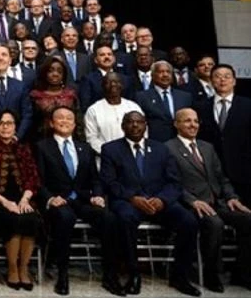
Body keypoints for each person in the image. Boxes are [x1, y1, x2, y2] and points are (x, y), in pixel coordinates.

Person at [99, 111, 201, 296]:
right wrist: (132, 198)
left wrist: (163, 199)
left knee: (189, 221)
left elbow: (174, 182)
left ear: (146, 126)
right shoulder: (111, 149)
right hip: (128, 201)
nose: (135, 126)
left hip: (159, 201)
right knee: (125, 218)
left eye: (139, 122)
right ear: (123, 127)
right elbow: (109, 182)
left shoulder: (161, 149)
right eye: (130, 122)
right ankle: (133, 273)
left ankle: (180, 276)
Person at [33, 107, 123, 296]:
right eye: (60, 118)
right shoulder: (42, 146)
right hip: (57, 201)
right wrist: (49, 198)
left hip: (82, 199)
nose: (64, 121)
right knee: (65, 218)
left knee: (109, 218)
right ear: (52, 123)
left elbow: (95, 179)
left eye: (69, 118)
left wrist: (97, 195)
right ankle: (63, 275)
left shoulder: (85, 148)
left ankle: (110, 275)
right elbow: (37, 181)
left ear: (75, 124)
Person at [166, 108, 251, 292]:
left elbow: (222, 178)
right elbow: (171, 183)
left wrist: (232, 197)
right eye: (187, 121)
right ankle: (212, 274)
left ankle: (241, 272)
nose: (193, 125)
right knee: (215, 224)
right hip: (191, 205)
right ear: (176, 124)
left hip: (218, 202)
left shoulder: (207, 147)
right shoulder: (168, 148)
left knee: (248, 219)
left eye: (196, 121)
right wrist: (191, 201)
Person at [0, 110, 40, 291]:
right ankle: (12, 269)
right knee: (14, 219)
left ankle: (23, 268)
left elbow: (33, 178)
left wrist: (25, 199)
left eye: (9, 123)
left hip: (22, 200)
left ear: (15, 127)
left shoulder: (24, 149)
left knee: (30, 218)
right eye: (1, 123)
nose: (5, 126)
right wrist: (4, 201)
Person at [195, 64, 251, 204]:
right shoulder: (201, 107)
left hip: (245, 169)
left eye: (227, 76)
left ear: (234, 81)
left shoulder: (247, 105)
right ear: (211, 81)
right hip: (215, 170)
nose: (222, 80)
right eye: (218, 76)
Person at [84, 72, 143, 159]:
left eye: (117, 82)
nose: (113, 85)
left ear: (122, 85)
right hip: (105, 159)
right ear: (103, 86)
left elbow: (143, 131)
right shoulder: (93, 110)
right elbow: (91, 138)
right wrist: (110, 153)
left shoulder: (133, 107)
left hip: (133, 157)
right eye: (108, 82)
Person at [135, 60, 192, 142]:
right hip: (156, 142)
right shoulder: (142, 97)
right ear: (153, 75)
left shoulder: (185, 96)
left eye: (168, 72)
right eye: (161, 72)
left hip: (181, 142)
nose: (165, 75)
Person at [28, 56, 79, 141]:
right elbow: (32, 123)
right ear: (44, 73)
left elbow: (78, 121)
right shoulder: (35, 96)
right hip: (42, 140)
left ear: (63, 75)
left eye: (59, 72)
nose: (55, 74)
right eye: (50, 71)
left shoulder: (71, 95)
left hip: (69, 139)